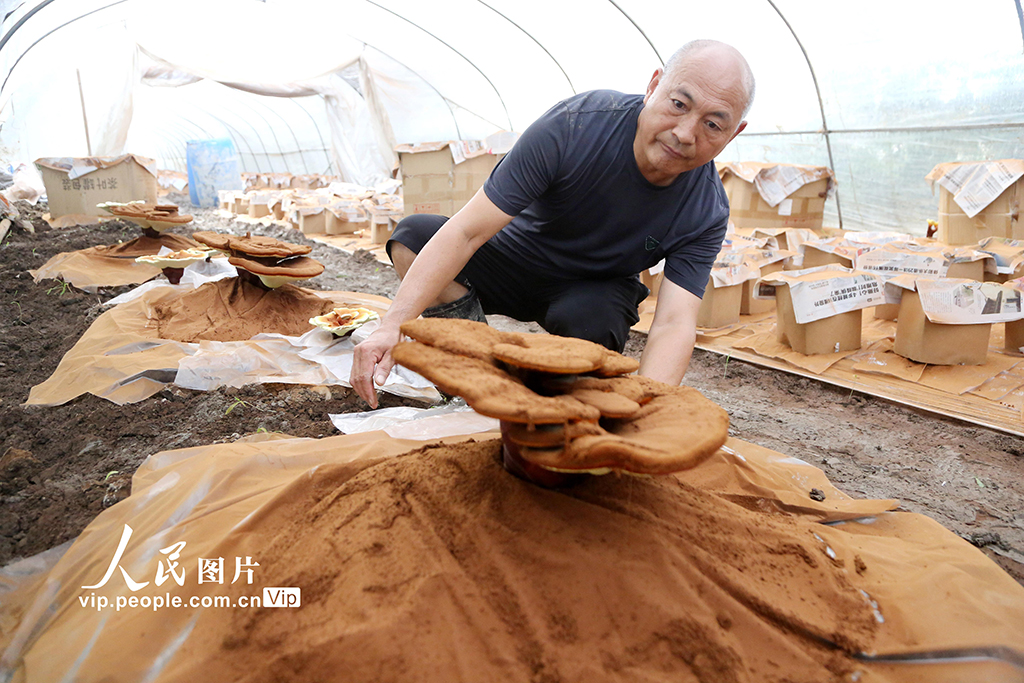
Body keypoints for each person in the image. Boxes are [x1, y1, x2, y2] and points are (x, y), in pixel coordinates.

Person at [352, 39, 754, 408]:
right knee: (414, 236)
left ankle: (561, 403)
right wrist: (391, 325)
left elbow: (674, 321)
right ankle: (474, 370)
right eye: (679, 104)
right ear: (653, 86)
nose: (685, 133)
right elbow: (466, 231)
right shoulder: (577, 126)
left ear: (733, 134)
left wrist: (648, 408)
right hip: (513, 257)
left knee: (596, 318)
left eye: (713, 124)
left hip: (588, 288)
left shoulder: (704, 210)